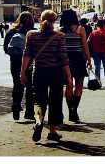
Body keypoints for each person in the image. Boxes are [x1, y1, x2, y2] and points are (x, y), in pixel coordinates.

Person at [21, 10, 73, 142]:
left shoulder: (31, 35)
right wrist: (68, 78)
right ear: (54, 21)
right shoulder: (59, 36)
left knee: (39, 100)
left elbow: (27, 55)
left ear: (40, 20)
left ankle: (38, 123)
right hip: (56, 73)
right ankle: (52, 131)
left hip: (39, 72)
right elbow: (64, 58)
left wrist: (23, 72)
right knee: (55, 102)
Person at [61, 9, 92, 123]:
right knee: (79, 86)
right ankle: (74, 110)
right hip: (78, 59)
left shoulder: (60, 30)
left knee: (69, 85)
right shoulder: (80, 29)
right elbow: (85, 46)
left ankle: (70, 110)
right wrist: (88, 60)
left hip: (66, 60)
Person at [4, 12, 36, 120]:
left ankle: (16, 106)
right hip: (30, 63)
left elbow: (6, 49)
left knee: (17, 85)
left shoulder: (11, 32)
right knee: (30, 87)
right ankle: (29, 112)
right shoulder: (34, 32)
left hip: (15, 63)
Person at [88, 19, 105, 83]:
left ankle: (98, 80)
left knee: (97, 67)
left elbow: (88, 41)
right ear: (103, 25)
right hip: (104, 52)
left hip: (95, 52)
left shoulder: (93, 32)